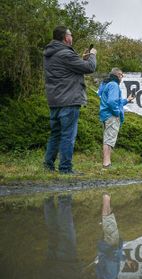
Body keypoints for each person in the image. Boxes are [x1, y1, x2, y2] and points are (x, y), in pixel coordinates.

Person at [43, 26, 96, 175]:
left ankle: (48, 165)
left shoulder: (50, 53)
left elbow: (68, 69)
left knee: (56, 134)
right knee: (68, 135)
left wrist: (81, 60)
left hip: (55, 100)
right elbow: (90, 68)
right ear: (66, 38)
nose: (71, 37)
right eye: (70, 35)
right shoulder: (66, 54)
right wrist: (92, 55)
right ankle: (65, 169)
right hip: (69, 100)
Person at [96, 193, 138, 279]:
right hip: (106, 247)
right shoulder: (104, 278)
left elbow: (111, 259)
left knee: (108, 221)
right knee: (108, 222)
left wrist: (116, 249)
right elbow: (100, 265)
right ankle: (107, 200)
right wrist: (126, 260)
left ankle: (106, 197)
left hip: (111, 245)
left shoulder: (111, 276)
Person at [41, 194, 82, 279]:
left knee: (66, 233)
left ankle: (63, 199)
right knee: (52, 231)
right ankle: (47, 200)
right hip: (51, 266)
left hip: (67, 265)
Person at [98, 68, 135, 169]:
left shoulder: (108, 84)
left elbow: (116, 102)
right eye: (122, 75)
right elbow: (112, 102)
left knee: (109, 139)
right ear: (118, 75)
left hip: (107, 115)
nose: (122, 78)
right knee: (109, 139)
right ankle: (106, 164)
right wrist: (117, 113)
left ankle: (107, 162)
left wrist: (127, 100)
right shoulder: (114, 85)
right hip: (111, 116)